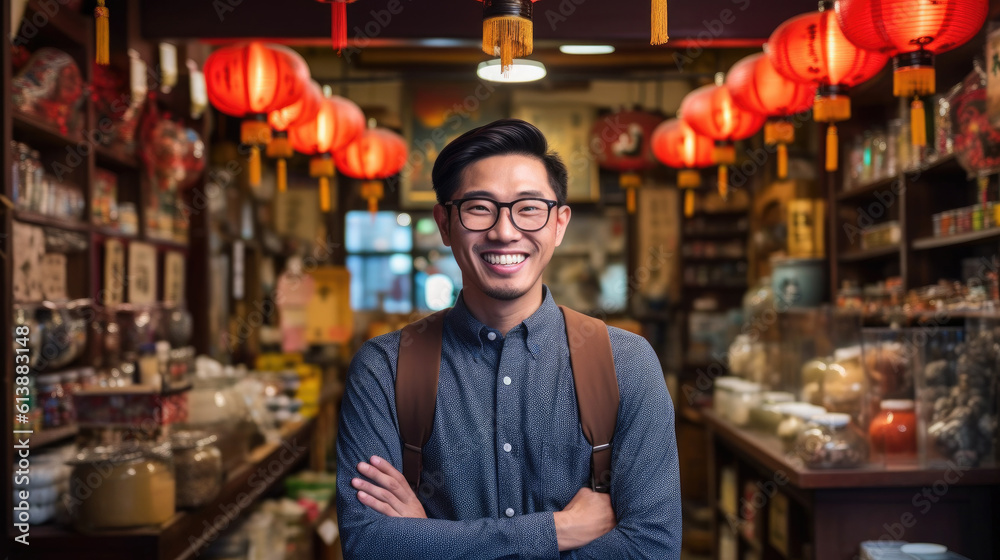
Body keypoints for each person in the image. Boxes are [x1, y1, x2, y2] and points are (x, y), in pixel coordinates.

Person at [336, 119, 682, 558]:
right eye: (479, 207)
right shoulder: (386, 368)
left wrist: (431, 541)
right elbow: (368, 544)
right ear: (444, 223)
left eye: (529, 207)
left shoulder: (626, 363)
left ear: (559, 223)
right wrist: (555, 531)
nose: (504, 231)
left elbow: (653, 547)